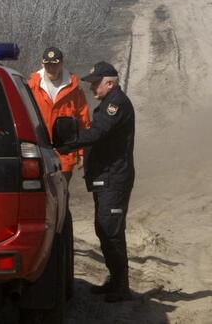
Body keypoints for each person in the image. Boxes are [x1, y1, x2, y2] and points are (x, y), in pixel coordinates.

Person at [57, 61, 135, 303]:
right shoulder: (107, 104)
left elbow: (98, 133)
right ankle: (115, 279)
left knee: (111, 230)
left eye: (95, 84)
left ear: (109, 83)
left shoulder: (116, 104)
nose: (92, 89)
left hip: (114, 177)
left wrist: (68, 142)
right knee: (104, 228)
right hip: (105, 176)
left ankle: (121, 285)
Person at [27, 47, 90, 180]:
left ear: (61, 63)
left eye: (54, 64)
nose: (51, 68)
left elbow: (83, 122)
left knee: (61, 196)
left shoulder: (74, 89)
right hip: (39, 153)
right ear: (42, 64)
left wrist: (83, 153)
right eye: (48, 64)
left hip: (65, 154)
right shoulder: (32, 86)